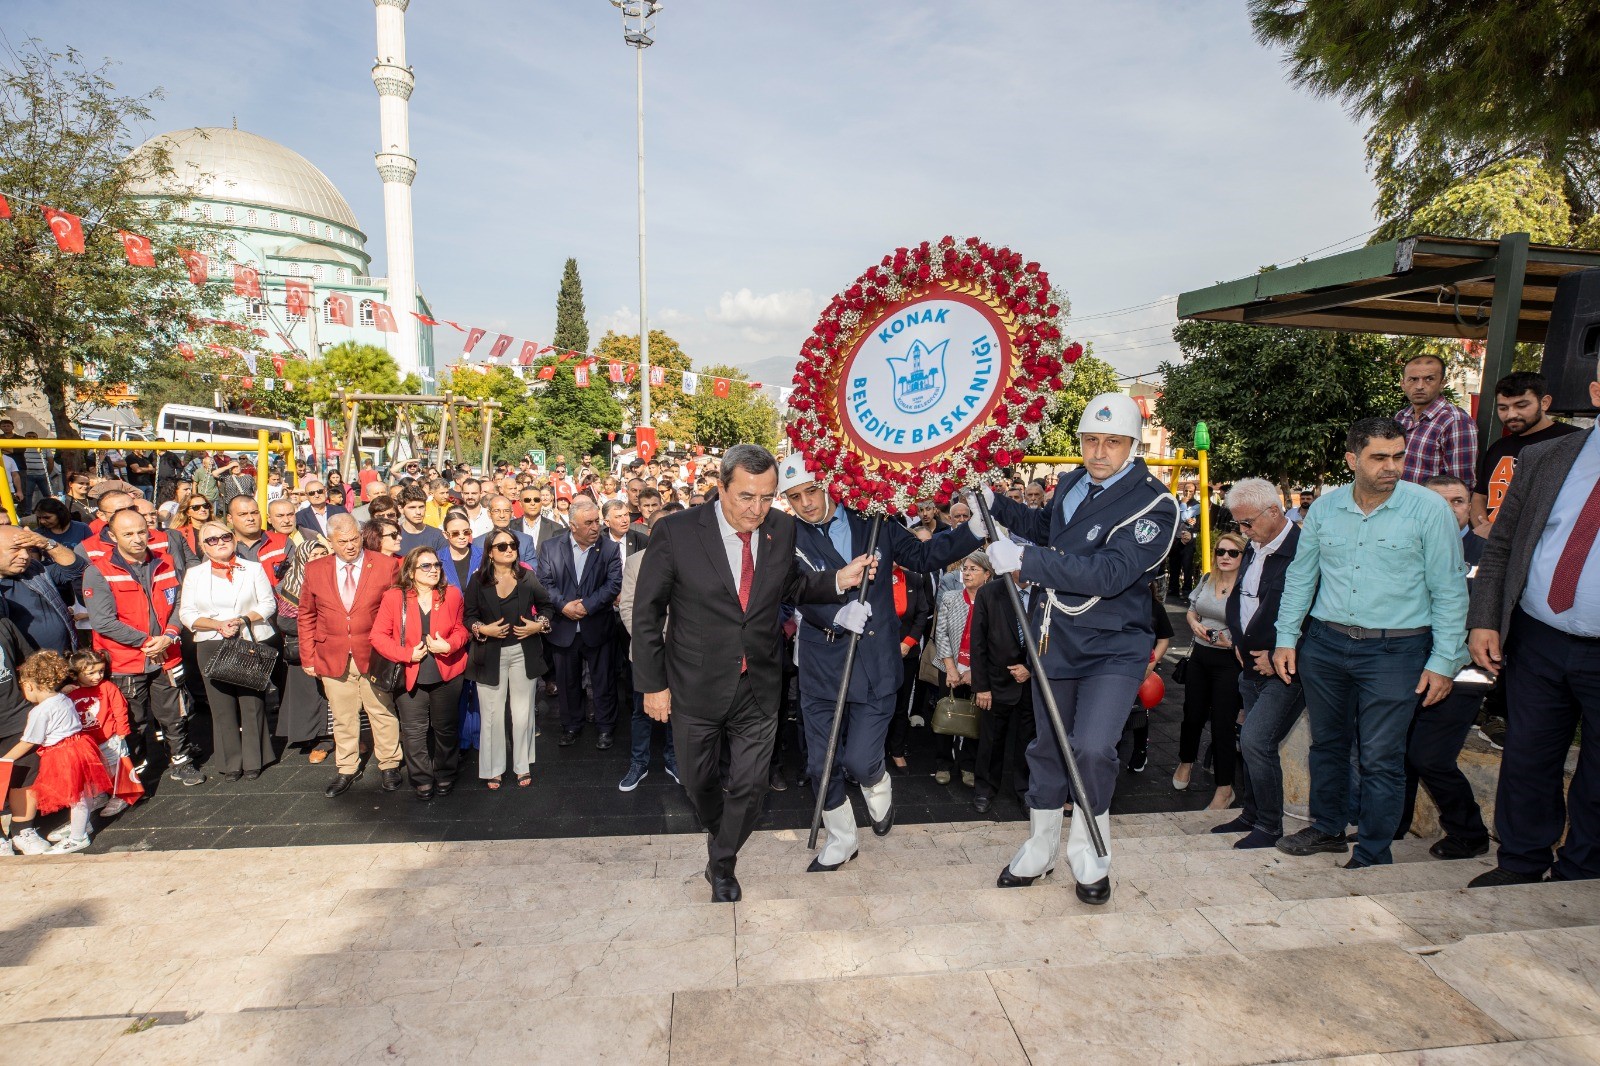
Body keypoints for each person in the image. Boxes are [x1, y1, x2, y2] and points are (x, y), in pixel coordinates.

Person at [632, 444, 872, 903]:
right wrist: (653, 684)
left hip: (759, 683)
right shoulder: (676, 532)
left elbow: (791, 584)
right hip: (694, 686)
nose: (756, 509)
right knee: (698, 782)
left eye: (766, 497)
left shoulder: (780, 527)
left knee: (752, 786)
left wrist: (838, 580)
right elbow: (647, 613)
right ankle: (721, 832)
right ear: (721, 487)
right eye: (746, 496)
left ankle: (722, 862)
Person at [975, 392, 1179, 906]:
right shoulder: (1070, 483)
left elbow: (1110, 573)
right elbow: (1047, 528)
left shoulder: (1156, 503)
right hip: (1056, 636)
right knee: (1047, 746)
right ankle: (1039, 850)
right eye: (1090, 440)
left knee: (1091, 747)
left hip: (1114, 645)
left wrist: (1027, 561)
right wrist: (994, 504)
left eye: (1113, 442)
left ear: (1132, 446)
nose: (1099, 452)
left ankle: (1090, 858)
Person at [1273, 417, 1468, 868]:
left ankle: (1374, 851)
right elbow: (1301, 577)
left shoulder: (1428, 509)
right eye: (1379, 457)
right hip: (1325, 644)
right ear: (1352, 459)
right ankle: (1327, 829)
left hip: (1396, 651)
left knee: (1381, 756)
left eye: (1398, 456)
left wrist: (1444, 660)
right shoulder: (1325, 509)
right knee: (1327, 745)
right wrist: (1286, 638)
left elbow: (1450, 590)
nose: (1392, 466)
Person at [778, 453, 978, 868]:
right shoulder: (786, 535)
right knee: (820, 763)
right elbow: (790, 588)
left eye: (811, 490)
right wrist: (835, 615)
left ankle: (877, 781)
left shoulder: (872, 520)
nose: (806, 503)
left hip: (874, 661)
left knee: (860, 760)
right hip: (822, 664)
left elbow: (922, 557)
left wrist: (974, 530)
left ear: (828, 484)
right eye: (794, 497)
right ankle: (842, 839)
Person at [1466, 364, 1600, 887]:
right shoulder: (1547, 457)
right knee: (1527, 756)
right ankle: (1520, 863)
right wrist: (1484, 619)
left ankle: (1581, 871)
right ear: (1596, 392)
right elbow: (1501, 544)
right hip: (1538, 637)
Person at [1391, 475, 1492, 858]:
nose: (1450, 509)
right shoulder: (1405, 546)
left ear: (1470, 507)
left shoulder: (1488, 553)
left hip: (1465, 671)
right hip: (1407, 666)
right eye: (1440, 501)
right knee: (1398, 752)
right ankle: (1391, 828)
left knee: (1429, 756)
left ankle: (1469, 833)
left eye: (1458, 501)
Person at [81, 508, 204, 786]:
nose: (137, 539)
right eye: (128, 534)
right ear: (113, 536)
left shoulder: (166, 561)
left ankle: (181, 761)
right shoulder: (98, 572)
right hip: (126, 661)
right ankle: (135, 769)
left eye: (141, 532)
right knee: (133, 720)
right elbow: (103, 622)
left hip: (167, 653)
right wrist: (148, 642)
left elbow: (180, 601)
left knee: (176, 713)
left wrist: (170, 634)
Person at [1216, 478, 1306, 849]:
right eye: (1238, 523)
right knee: (1249, 742)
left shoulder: (1304, 549)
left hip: (1284, 671)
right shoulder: (1255, 546)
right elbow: (1243, 599)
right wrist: (1239, 641)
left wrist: (1280, 652)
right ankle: (1252, 814)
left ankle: (1269, 826)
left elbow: (1314, 614)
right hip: (1250, 666)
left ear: (1273, 511)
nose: (1243, 531)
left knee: (1256, 741)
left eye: (1248, 522)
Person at [297, 514, 405, 797]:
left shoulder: (385, 565)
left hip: (374, 654)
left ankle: (389, 763)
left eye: (354, 539)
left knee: (381, 711)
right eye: (342, 541)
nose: (350, 546)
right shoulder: (315, 569)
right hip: (332, 654)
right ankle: (346, 767)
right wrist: (308, 656)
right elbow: (306, 615)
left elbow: (397, 611)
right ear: (330, 541)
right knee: (343, 716)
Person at [178, 520, 276, 781]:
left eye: (225, 537)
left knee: (252, 701)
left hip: (247, 639)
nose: (220, 542)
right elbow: (187, 613)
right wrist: (217, 625)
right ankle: (231, 761)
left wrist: (241, 620)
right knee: (221, 706)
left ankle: (255, 758)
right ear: (203, 546)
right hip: (211, 641)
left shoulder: (253, 568)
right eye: (212, 539)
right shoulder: (195, 574)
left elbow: (268, 604)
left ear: (233, 539)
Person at [372, 547, 469, 799]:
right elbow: (378, 636)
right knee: (414, 730)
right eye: (426, 566)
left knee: (446, 727)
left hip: (446, 670)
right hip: (410, 672)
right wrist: (406, 654)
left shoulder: (452, 594)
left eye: (436, 565)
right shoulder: (395, 597)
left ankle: (446, 772)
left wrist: (449, 645)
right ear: (411, 571)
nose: (433, 570)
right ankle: (422, 778)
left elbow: (461, 629)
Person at [466, 529, 556, 788]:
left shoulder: (527, 576)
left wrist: (539, 625)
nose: (509, 549)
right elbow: (469, 615)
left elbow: (547, 605)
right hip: (488, 654)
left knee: (523, 713)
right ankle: (493, 768)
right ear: (490, 553)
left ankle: (522, 765)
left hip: (523, 653)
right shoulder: (478, 580)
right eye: (502, 546)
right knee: (492, 715)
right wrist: (483, 629)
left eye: (512, 545)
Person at [3, 651, 113, 853]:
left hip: (62, 754)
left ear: (29, 685)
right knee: (82, 794)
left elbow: (28, 742)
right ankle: (82, 825)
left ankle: (78, 837)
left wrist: (5, 758)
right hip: (80, 746)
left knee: (77, 797)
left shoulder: (40, 711)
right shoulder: (62, 697)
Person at [538, 497, 623, 749]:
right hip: (563, 628)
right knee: (567, 683)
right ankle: (571, 726)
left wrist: (586, 606)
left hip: (597, 626)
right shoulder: (551, 547)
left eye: (597, 521)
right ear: (573, 526)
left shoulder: (609, 549)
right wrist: (564, 606)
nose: (596, 527)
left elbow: (613, 585)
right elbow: (544, 582)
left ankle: (606, 728)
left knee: (603, 681)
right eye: (589, 523)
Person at [1174, 531, 1246, 810]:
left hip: (1229, 661)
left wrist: (1233, 642)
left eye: (1233, 552)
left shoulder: (1248, 586)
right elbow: (1193, 610)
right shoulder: (1207, 579)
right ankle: (1186, 761)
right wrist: (1194, 624)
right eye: (1220, 551)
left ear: (1243, 556)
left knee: (1222, 724)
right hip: (1200, 656)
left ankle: (1225, 788)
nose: (1225, 557)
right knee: (1191, 715)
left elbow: (1255, 623)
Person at [1470, 371, 1581, 535]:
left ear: (1544, 403)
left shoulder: (1576, 441)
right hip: (1492, 544)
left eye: (1521, 406)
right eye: (1503, 408)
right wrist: (1482, 529)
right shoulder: (1498, 447)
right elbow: (1480, 496)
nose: (1511, 414)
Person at [614, 510, 678, 791]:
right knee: (641, 711)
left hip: (682, 650)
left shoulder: (692, 560)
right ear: (651, 532)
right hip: (645, 650)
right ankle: (639, 762)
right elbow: (627, 607)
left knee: (679, 709)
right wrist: (649, 641)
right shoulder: (635, 562)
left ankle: (674, 759)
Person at [969, 570, 1039, 814]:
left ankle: (1025, 792)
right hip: (996, 682)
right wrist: (982, 687)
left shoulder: (1046, 593)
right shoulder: (989, 592)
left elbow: (1053, 638)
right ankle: (984, 790)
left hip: (1033, 683)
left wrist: (1031, 668)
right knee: (991, 740)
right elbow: (977, 642)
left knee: (1029, 741)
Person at [273, 535, 335, 763]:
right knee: (311, 696)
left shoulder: (338, 578)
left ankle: (336, 738)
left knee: (335, 695)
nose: (319, 558)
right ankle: (316, 739)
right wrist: (318, 628)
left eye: (323, 554)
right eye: (313, 555)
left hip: (333, 646)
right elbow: (284, 622)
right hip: (305, 648)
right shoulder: (289, 584)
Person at [934, 552, 992, 788]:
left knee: (975, 716)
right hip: (950, 666)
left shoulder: (994, 602)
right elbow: (941, 634)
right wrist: (951, 669)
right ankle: (943, 764)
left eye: (973, 569)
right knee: (946, 711)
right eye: (965, 569)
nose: (967, 573)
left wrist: (975, 672)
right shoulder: (950, 598)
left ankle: (968, 765)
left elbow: (995, 641)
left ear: (987, 575)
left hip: (979, 670)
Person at [67, 648, 138, 818]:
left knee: (116, 767)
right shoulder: (71, 692)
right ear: (74, 674)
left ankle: (122, 795)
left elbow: (120, 708)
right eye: (91, 673)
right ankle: (100, 794)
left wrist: (122, 730)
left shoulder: (107, 687)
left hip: (110, 737)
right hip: (87, 742)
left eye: (100, 671)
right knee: (93, 770)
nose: (98, 676)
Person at [1396, 352, 1478, 490]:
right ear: (1403, 384)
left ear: (1442, 383)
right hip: (1399, 500)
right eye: (1413, 379)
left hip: (1431, 503)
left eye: (1429, 379)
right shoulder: (1401, 417)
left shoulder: (1455, 422)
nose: (1420, 386)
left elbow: (1461, 486)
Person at [0, 525, 84, 653]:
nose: (25, 556)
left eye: (28, 549)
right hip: (23, 664)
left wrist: (47, 543)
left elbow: (76, 568)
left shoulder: (35, 570)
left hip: (64, 658)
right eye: (15, 549)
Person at [227, 495, 287, 581]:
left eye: (254, 513)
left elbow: (293, 578)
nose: (251, 518)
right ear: (230, 518)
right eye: (243, 514)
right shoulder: (221, 547)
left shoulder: (283, 542)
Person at [474, 495, 536, 566]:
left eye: (506, 511)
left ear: (512, 513)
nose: (502, 515)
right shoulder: (478, 542)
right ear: (489, 514)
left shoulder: (525, 540)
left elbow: (532, 569)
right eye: (496, 511)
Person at [397, 485, 450, 557]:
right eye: (412, 507)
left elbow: (444, 561)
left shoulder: (437, 535)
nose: (418, 512)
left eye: (421, 507)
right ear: (401, 509)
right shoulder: (394, 536)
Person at [166, 494, 214, 573]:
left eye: (205, 506)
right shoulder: (179, 534)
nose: (203, 509)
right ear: (187, 512)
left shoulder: (218, 529)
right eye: (196, 507)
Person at [440, 512, 482, 592]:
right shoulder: (437, 559)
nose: (462, 537)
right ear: (445, 534)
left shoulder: (483, 556)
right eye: (455, 533)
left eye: (466, 532)